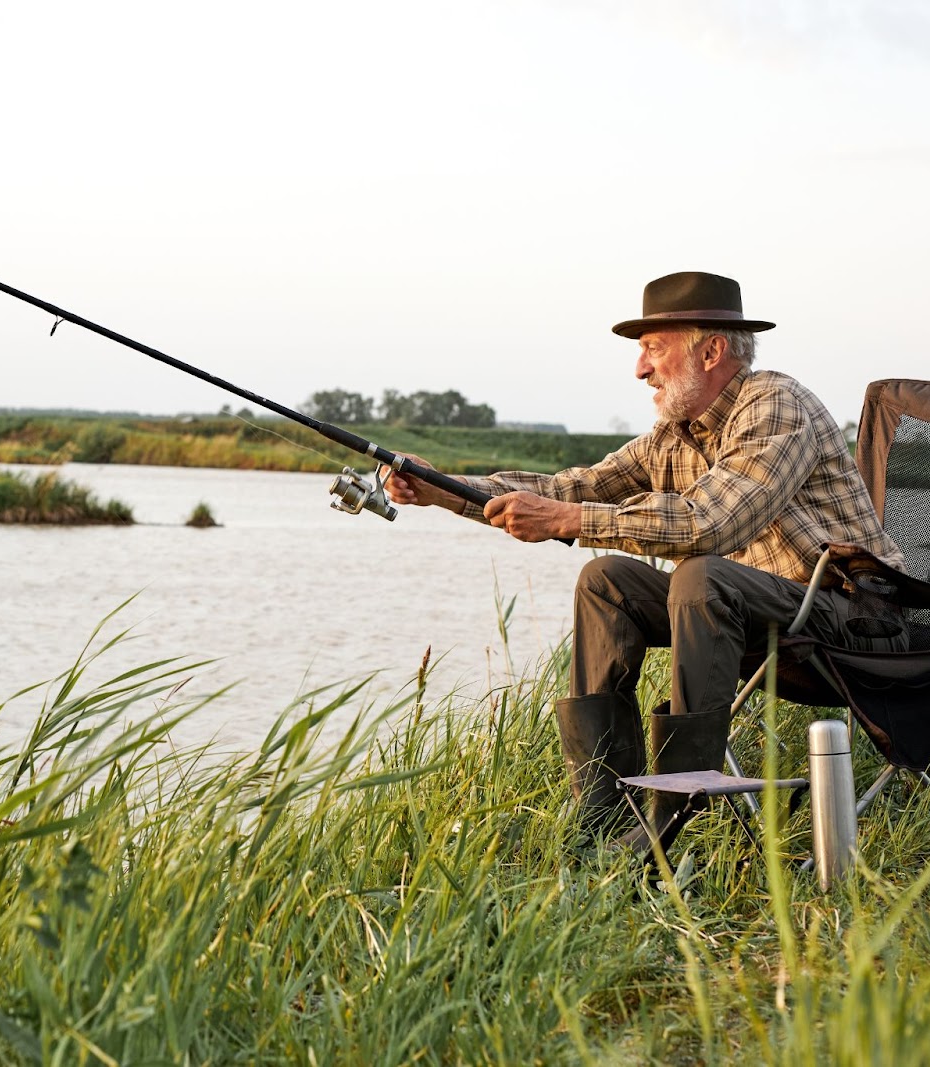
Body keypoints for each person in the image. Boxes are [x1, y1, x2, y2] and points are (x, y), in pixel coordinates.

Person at [383, 271, 902, 849]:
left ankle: (672, 815)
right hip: (768, 620)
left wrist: (568, 522)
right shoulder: (673, 435)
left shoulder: (777, 404)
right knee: (606, 580)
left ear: (712, 351)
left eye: (654, 349)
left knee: (702, 574)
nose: (640, 368)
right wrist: (440, 487)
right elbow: (572, 488)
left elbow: (711, 523)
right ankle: (603, 813)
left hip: (854, 623)